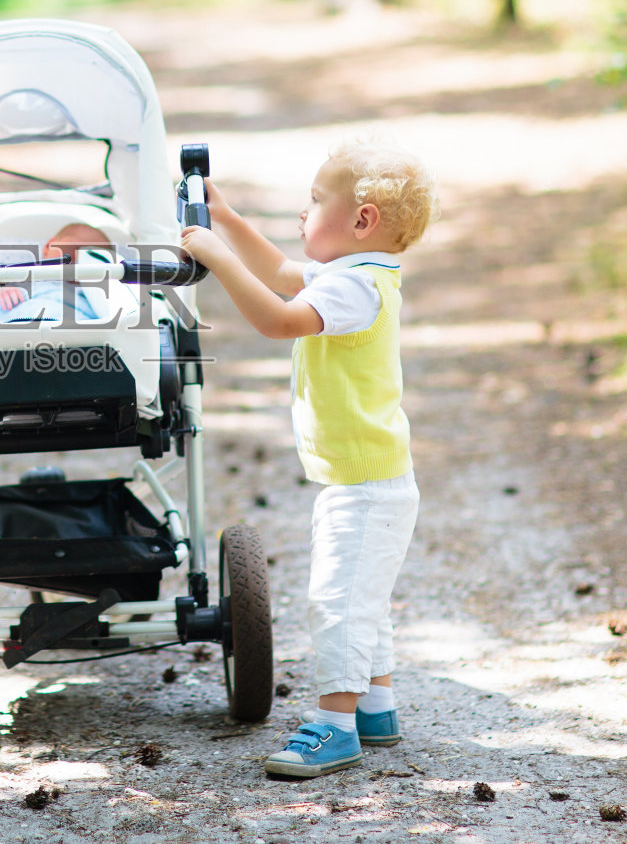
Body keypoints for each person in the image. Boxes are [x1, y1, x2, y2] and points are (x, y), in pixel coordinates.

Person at [179, 136, 437, 779]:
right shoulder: (354, 275)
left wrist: (215, 255)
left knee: (340, 601)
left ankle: (334, 724)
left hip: (368, 484)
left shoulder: (356, 291)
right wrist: (229, 221)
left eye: (316, 201)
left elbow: (278, 317)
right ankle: (375, 707)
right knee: (363, 596)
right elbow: (283, 275)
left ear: (362, 220)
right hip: (366, 477)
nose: (303, 213)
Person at [0, 222, 115, 323]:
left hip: (72, 336)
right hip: (17, 328)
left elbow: (106, 314)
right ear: (49, 246)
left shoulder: (93, 292)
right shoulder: (19, 272)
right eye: (76, 248)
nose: (80, 257)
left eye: (93, 255)